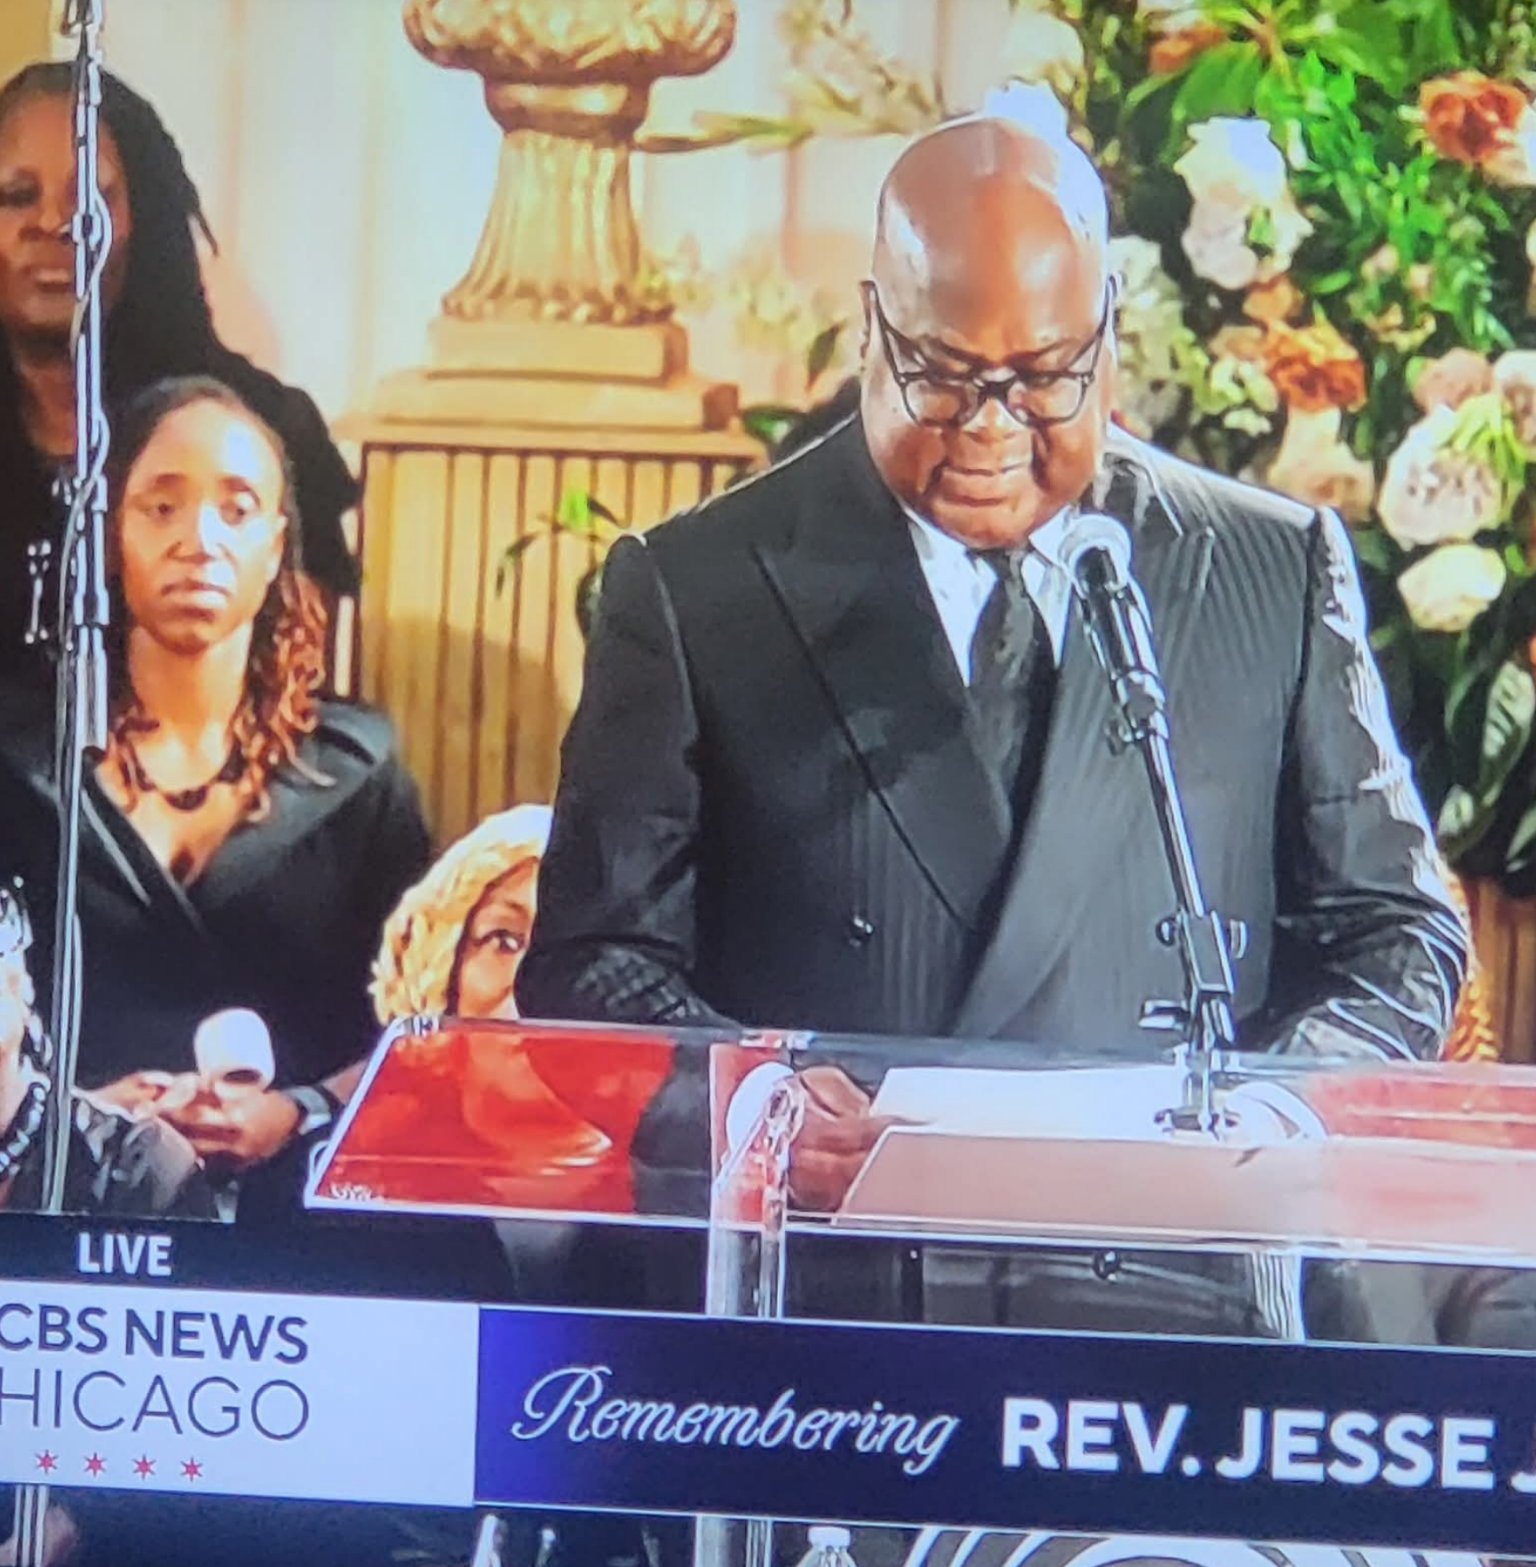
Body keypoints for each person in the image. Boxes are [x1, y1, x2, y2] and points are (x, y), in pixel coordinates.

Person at [519, 110, 1465, 1194]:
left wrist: (1275, 1108)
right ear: (871, 325)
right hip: (831, 1248)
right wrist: (751, 1109)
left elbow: (1397, 933)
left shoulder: (1270, 567)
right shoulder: (698, 586)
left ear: (1109, 333)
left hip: (1163, 1244)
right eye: (942, 374)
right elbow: (590, 966)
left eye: (1045, 377)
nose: (990, 427)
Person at [0, 374, 429, 1218]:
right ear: (110, 533)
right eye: (162, 507)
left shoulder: (356, 773)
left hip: (296, 1218)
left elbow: (419, 1018)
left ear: (276, 545)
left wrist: (297, 1109)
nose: (199, 539)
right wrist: (72, 1111)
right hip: (58, 1207)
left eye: (236, 509)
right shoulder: (20, 761)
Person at [0, 62, 357, 691]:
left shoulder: (263, 435)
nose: (53, 222)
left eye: (90, 197)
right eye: (16, 196)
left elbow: (293, 696)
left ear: (149, 219)